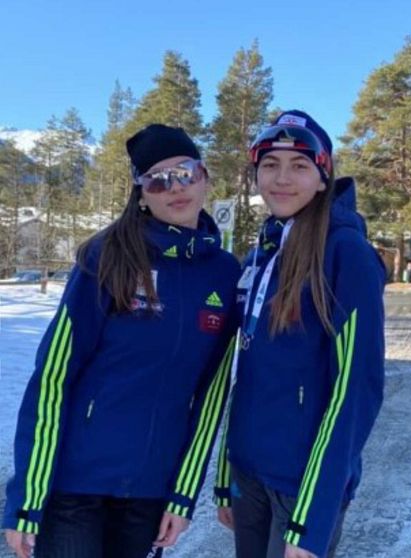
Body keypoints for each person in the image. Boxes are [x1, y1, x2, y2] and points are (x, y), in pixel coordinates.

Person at [2, 124, 240, 558]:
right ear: (141, 193)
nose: (175, 188)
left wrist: (183, 495)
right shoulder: (109, 255)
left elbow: (211, 397)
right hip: (75, 487)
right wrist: (27, 497)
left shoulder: (226, 275)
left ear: (205, 175)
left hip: (150, 493)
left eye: (184, 172)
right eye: (157, 180)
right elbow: (54, 376)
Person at [212, 110, 386, 558]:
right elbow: (241, 371)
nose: (282, 179)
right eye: (270, 165)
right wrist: (226, 475)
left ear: (323, 177)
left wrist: (311, 517)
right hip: (250, 476)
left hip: (303, 485)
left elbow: (355, 391)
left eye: (299, 165)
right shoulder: (260, 255)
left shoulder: (347, 254)